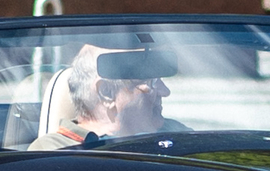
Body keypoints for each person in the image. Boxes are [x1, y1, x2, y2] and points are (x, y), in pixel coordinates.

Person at [29, 43, 170, 150]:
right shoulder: (55, 151)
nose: (165, 91)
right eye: (151, 82)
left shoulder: (174, 134)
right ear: (106, 92)